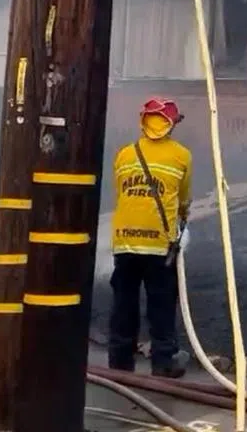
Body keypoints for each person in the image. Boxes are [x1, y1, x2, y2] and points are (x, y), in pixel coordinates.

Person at [108, 97, 193, 378]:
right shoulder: (181, 155)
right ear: (172, 124)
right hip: (159, 246)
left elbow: (121, 193)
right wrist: (181, 219)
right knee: (161, 305)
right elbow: (184, 200)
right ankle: (163, 362)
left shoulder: (124, 154)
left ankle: (120, 364)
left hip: (124, 243)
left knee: (124, 304)